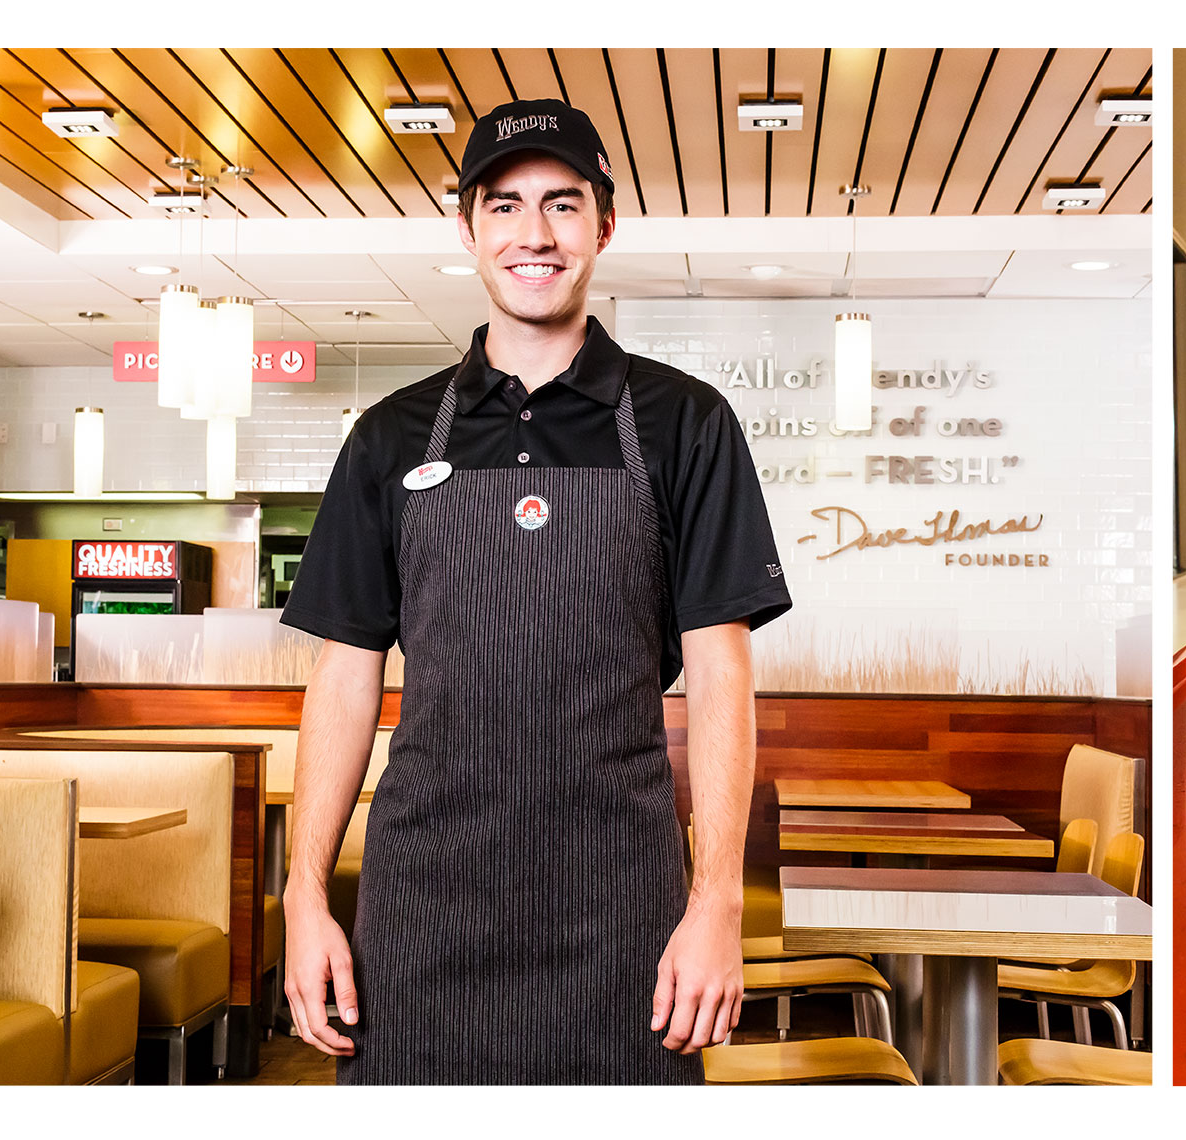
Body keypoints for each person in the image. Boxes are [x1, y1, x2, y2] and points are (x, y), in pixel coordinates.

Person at [277, 97, 791, 1084]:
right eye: (505, 206)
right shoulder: (391, 436)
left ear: (604, 224)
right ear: (467, 228)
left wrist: (716, 899)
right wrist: (304, 897)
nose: (535, 234)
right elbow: (344, 674)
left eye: (562, 203)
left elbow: (723, 673)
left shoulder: (686, 424)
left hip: (621, 902)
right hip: (424, 901)